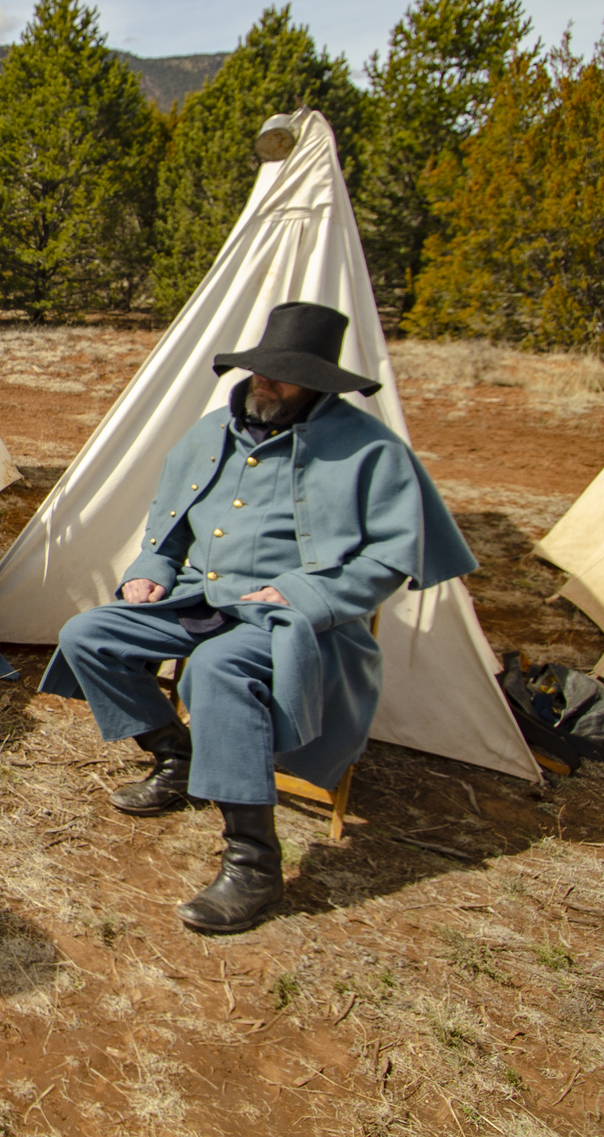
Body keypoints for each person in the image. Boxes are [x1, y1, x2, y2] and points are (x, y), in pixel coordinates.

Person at [41, 301, 476, 933]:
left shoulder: (371, 451)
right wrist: (149, 572)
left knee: (217, 667)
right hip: (198, 599)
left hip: (292, 620)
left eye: (283, 375)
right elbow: (166, 527)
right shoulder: (211, 430)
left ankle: (254, 862)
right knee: (88, 634)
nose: (264, 383)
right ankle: (175, 756)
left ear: (319, 384)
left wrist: (302, 594)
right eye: (260, 370)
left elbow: (388, 559)